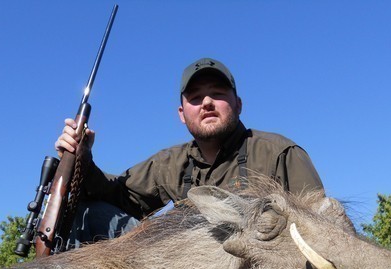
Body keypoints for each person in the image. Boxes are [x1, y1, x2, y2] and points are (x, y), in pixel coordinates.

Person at [55, 57, 325, 246]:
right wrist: (82, 162)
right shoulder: (170, 162)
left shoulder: (279, 152)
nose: (207, 102)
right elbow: (118, 195)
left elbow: (322, 228)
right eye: (195, 98)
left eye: (217, 93)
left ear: (238, 104)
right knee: (89, 212)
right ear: (182, 115)